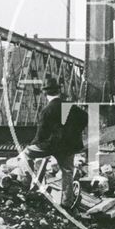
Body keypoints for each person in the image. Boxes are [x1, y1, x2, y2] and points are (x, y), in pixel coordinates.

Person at [19, 77, 86, 210]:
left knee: (26, 155)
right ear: (58, 92)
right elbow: (85, 117)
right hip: (68, 146)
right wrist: (75, 132)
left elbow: (40, 135)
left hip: (50, 146)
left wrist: (33, 145)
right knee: (67, 172)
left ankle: (26, 186)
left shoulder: (47, 110)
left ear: (45, 93)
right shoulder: (70, 106)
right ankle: (67, 204)